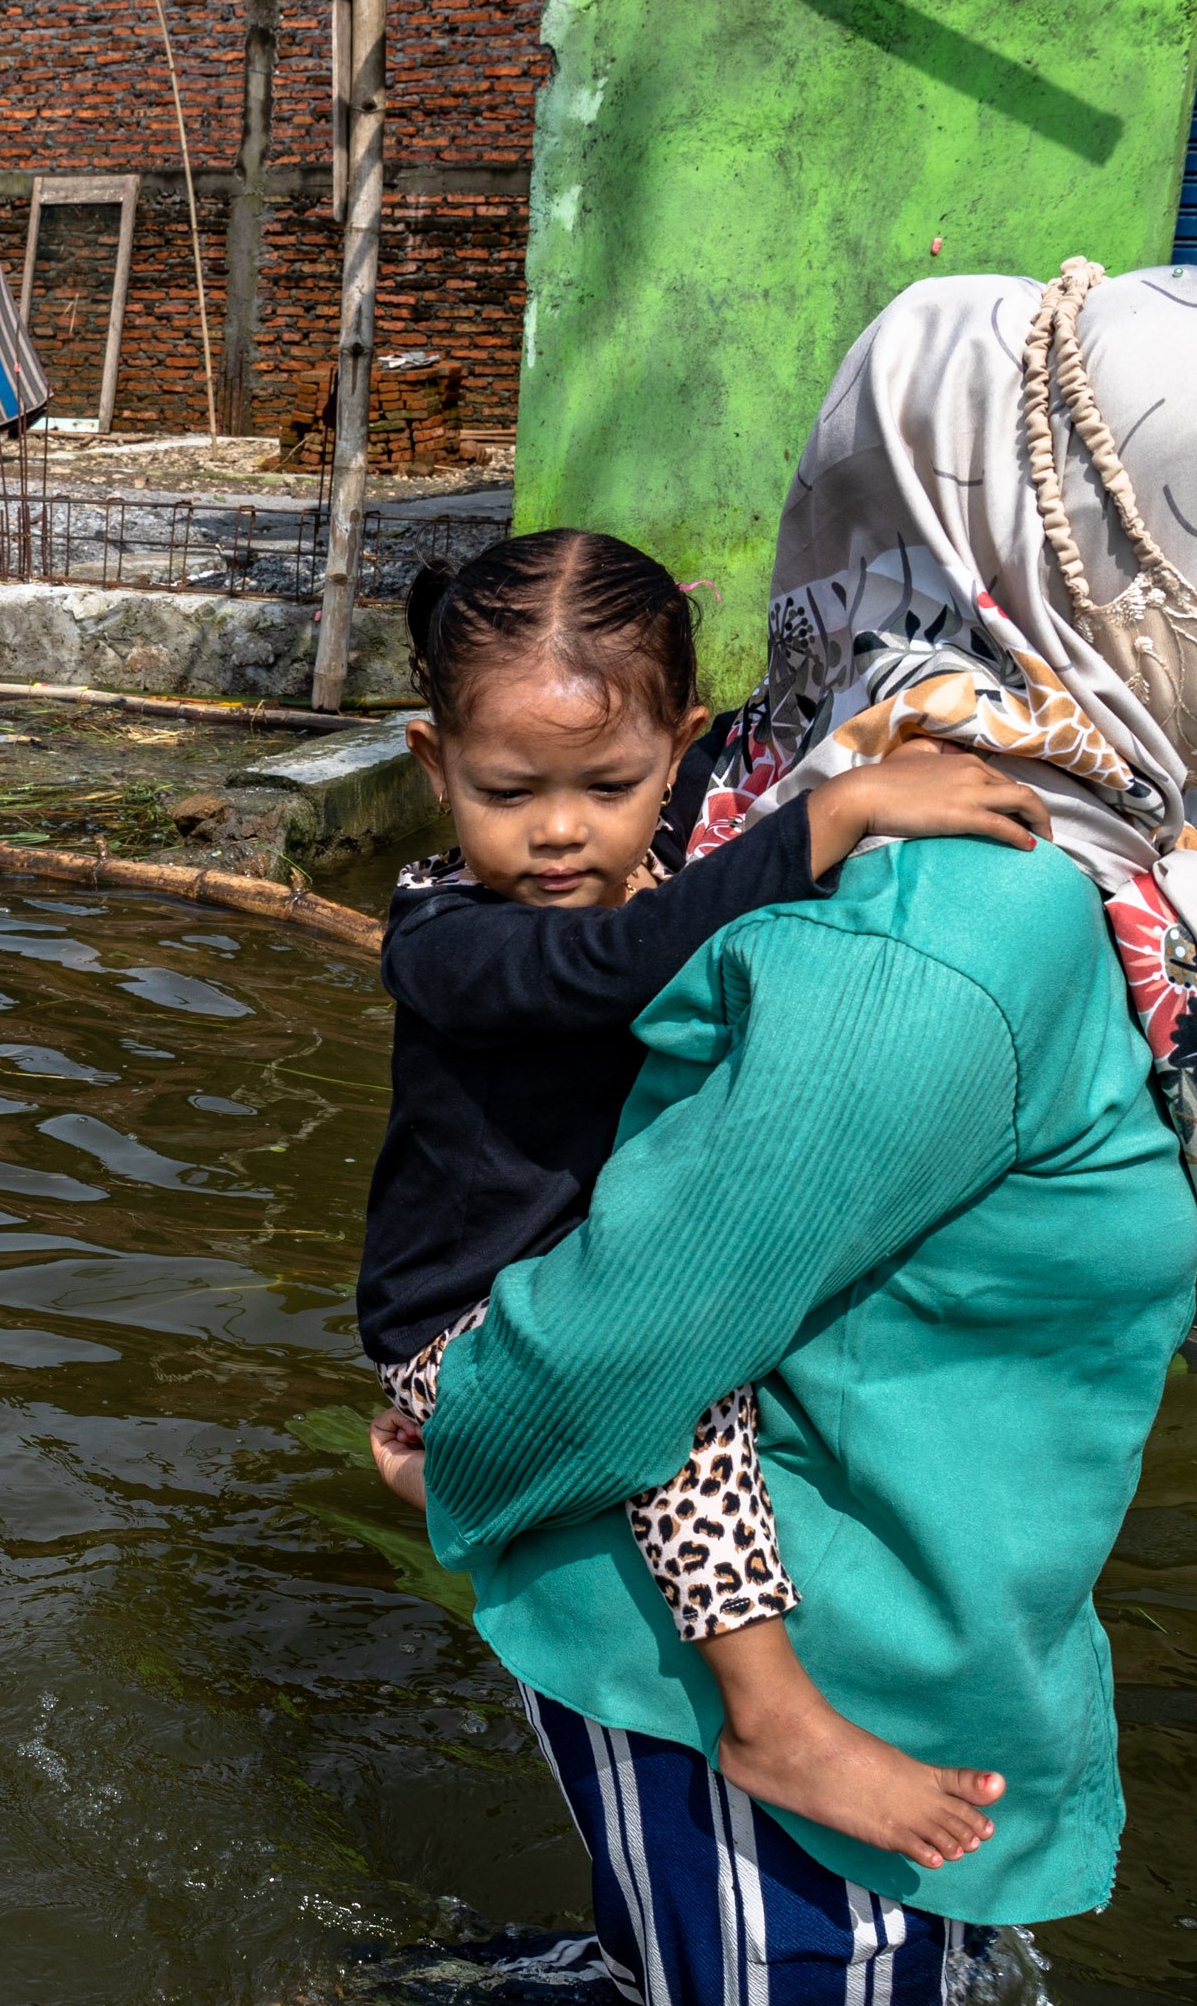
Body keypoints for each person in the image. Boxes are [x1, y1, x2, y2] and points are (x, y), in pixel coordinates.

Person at [414, 260, 1197, 2006]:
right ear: (1093, 569)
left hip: (879, 1653)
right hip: (803, 1719)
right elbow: (609, 1344)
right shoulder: (965, 932)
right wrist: (450, 1433)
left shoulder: (988, 831)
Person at [356, 530, 1052, 1873]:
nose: (560, 830)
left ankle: (461, 1472)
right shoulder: (447, 939)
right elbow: (611, 965)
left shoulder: (657, 835)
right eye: (508, 791)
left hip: (577, 1275)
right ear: (434, 766)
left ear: (673, 752)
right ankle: (772, 1713)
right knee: (688, 1411)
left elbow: (770, 745)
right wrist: (838, 817)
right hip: (462, 1313)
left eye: (610, 783)